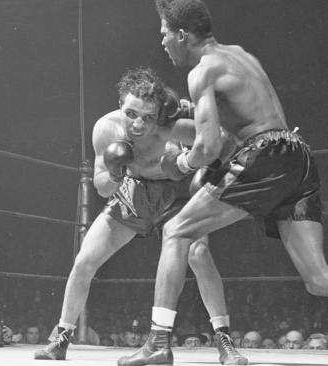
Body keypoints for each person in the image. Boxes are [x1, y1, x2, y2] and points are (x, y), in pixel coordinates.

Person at [119, 1, 328, 366]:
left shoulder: (202, 71)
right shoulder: (241, 56)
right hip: (298, 155)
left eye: (165, 34)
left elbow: (208, 145)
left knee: (176, 232)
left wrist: (179, 162)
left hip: (264, 155)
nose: (163, 43)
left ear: (182, 35)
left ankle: (158, 342)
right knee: (318, 277)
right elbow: (230, 129)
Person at [34, 67, 246, 365]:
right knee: (84, 261)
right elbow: (102, 187)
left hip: (176, 194)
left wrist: (203, 168)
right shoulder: (106, 128)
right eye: (131, 114)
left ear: (160, 113)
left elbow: (222, 141)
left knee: (198, 254)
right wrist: (116, 170)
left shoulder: (175, 128)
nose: (138, 124)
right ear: (121, 104)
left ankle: (224, 340)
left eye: (147, 117)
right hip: (132, 194)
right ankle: (61, 337)